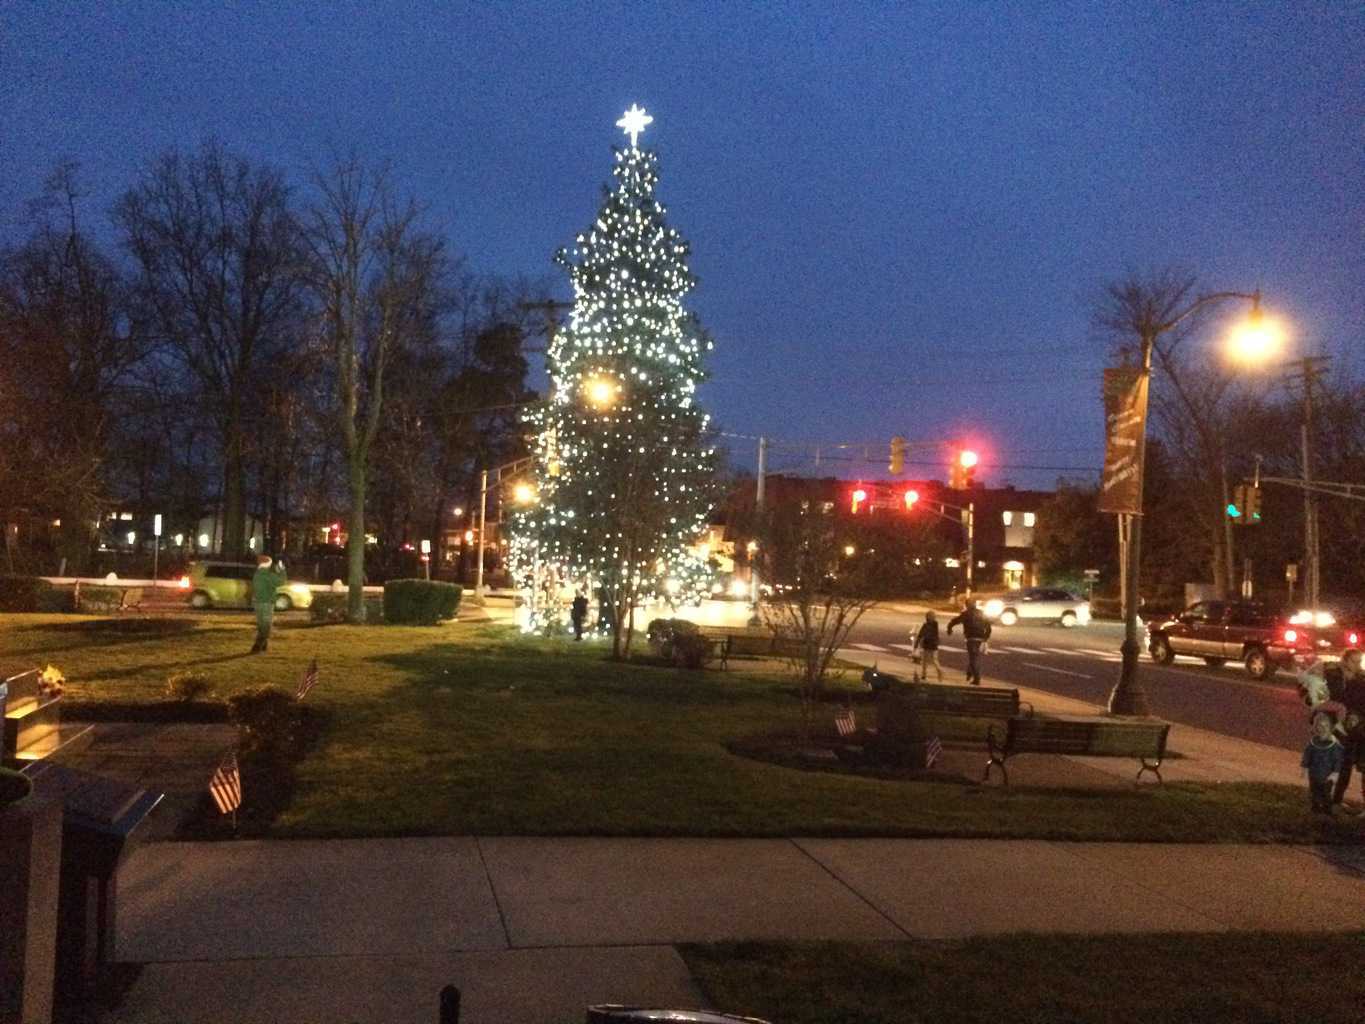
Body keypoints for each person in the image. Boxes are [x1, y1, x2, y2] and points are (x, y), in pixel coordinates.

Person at [1321, 648, 1365, 813]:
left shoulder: (1358, 678)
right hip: (1334, 726)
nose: (1358, 665)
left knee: (1346, 766)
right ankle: (1324, 801)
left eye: (1360, 661)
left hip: (1351, 728)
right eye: (1355, 661)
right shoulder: (1335, 676)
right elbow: (1338, 698)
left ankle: (1336, 801)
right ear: (1345, 661)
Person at [1303, 709, 1345, 815]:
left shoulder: (1335, 745)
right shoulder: (1313, 743)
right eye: (1319, 726)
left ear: (1331, 728)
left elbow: (1338, 760)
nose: (1321, 729)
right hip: (1314, 773)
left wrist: (1335, 773)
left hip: (1327, 775)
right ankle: (1315, 808)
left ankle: (1327, 809)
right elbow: (1307, 755)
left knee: (1325, 793)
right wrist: (1305, 767)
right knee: (1314, 791)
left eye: (1325, 727)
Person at [946, 598, 992, 685]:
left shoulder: (966, 614)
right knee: (974, 657)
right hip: (980, 638)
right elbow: (988, 626)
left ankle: (976, 678)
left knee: (973, 658)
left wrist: (949, 629)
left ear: (967, 605)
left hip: (971, 639)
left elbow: (954, 621)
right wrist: (986, 637)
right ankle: (969, 673)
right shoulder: (981, 613)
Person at [250, 554, 287, 654]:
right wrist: (282, 570)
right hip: (266, 603)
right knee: (266, 626)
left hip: (258, 603)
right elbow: (281, 581)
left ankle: (263, 645)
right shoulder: (266, 575)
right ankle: (257, 646)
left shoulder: (258, 574)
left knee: (262, 625)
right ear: (267, 564)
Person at [911, 610, 943, 682]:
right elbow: (921, 635)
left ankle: (935, 673)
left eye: (928, 616)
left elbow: (921, 635)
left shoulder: (929, 625)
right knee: (928, 661)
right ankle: (925, 675)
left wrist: (916, 644)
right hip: (931, 645)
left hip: (929, 644)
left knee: (930, 660)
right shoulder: (934, 625)